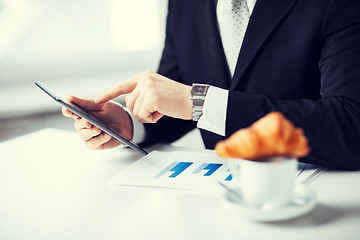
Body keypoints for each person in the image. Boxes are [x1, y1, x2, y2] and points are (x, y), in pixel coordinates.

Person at [63, 0, 360, 170]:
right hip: (217, 198)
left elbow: (351, 126)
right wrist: (130, 121)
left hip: (316, 198)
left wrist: (200, 101)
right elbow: (177, 90)